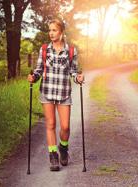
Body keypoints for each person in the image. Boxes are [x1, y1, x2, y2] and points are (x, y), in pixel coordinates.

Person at [27, 18, 84, 171]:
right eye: (50, 30)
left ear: (61, 32)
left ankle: (63, 148)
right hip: (47, 91)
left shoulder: (71, 50)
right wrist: (34, 77)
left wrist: (78, 78)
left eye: (54, 30)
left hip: (64, 92)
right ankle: (53, 155)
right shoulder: (44, 49)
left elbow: (73, 71)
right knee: (50, 124)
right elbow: (39, 70)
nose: (51, 33)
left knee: (65, 127)